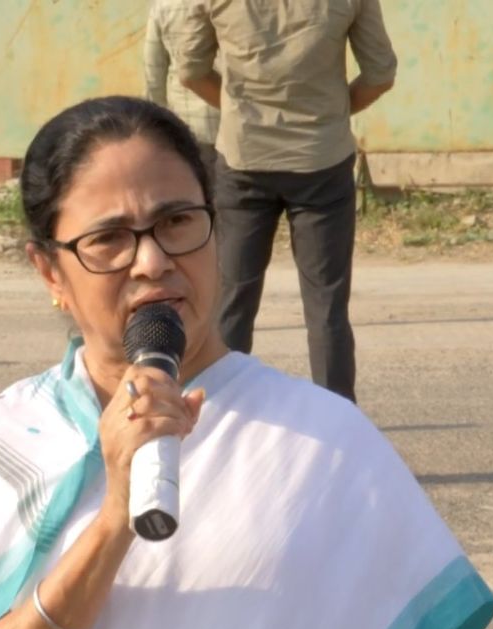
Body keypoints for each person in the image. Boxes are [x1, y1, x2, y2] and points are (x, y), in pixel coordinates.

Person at [0, 97, 493, 629]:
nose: (153, 261)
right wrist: (115, 521)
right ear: (50, 273)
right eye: (109, 239)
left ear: (216, 226)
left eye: (176, 222)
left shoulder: (327, 450)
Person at [167, 0, 397, 403]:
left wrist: (239, 110)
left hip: (245, 158)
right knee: (326, 305)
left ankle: (220, 416)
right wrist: (332, 112)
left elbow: (189, 70)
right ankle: (339, 427)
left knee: (232, 299)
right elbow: (380, 74)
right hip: (321, 160)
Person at [143, 0, 220, 183]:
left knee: (202, 193)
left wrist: (158, 125)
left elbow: (154, 70)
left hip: (190, 124)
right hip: (237, 117)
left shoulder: (164, 5)